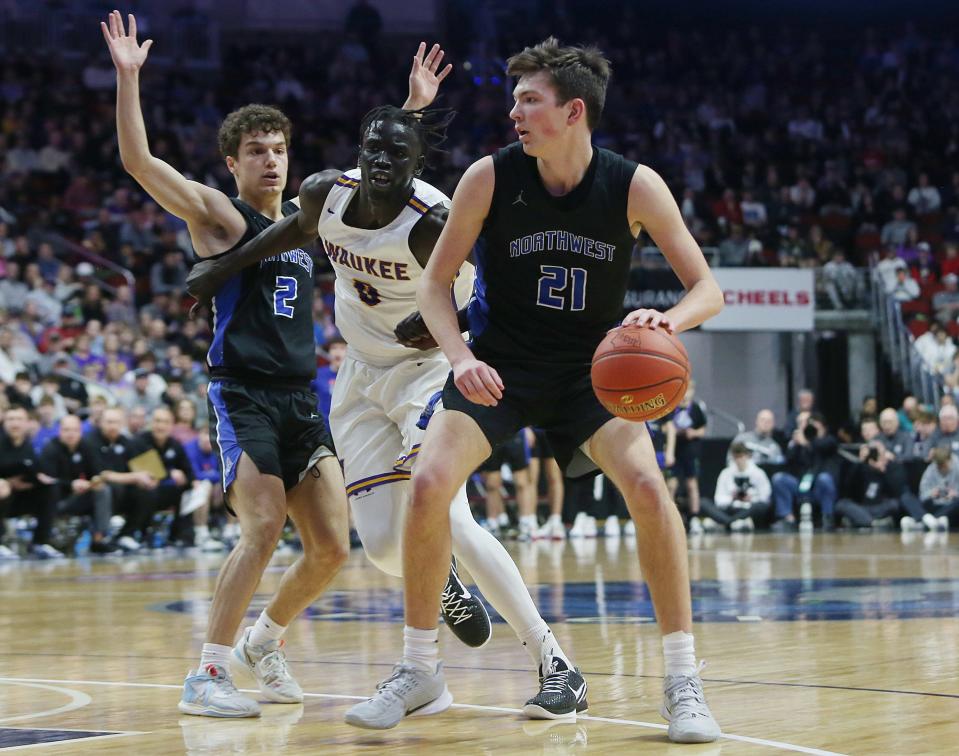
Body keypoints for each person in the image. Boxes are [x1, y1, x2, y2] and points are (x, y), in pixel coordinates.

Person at [354, 38, 723, 741]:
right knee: (429, 483)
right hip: (500, 363)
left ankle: (682, 683)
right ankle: (418, 669)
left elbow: (706, 288)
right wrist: (459, 357)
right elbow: (434, 286)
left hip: (593, 372)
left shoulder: (633, 185)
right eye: (513, 99)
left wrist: (665, 319)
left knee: (649, 491)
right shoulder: (489, 178)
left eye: (529, 100)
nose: (513, 111)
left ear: (573, 111)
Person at [188, 97, 588, 722]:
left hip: (426, 375)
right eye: (372, 148)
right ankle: (443, 583)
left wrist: (440, 326)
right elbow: (293, 231)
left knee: (447, 515)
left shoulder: (432, 221)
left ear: (416, 163)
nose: (380, 160)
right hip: (359, 376)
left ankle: (553, 661)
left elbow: (491, 295)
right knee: (378, 548)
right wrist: (221, 269)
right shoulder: (328, 195)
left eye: (397, 153)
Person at [103, 10, 367, 717]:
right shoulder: (222, 218)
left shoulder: (305, 226)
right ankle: (207, 677)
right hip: (242, 394)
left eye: (278, 148)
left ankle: (263, 641)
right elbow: (139, 165)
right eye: (255, 150)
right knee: (260, 526)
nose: (271, 160)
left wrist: (413, 109)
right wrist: (129, 80)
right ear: (232, 162)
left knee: (332, 548)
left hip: (300, 399)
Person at [705, 441, 772, 531]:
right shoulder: (725, 473)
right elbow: (718, 499)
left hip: (749, 509)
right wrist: (732, 497)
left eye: (741, 457)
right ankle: (734, 522)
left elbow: (765, 497)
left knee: (761, 507)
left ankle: (725, 522)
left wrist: (750, 499)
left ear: (747, 456)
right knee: (703, 503)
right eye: (736, 457)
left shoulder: (758, 473)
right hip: (731, 508)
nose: (739, 460)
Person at [668, 380, 707, 533]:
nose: (685, 395)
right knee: (672, 484)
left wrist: (694, 433)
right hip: (675, 451)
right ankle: (670, 518)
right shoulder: (672, 408)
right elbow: (668, 427)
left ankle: (694, 517)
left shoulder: (696, 408)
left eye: (688, 391)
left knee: (692, 484)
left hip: (690, 452)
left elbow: (703, 429)